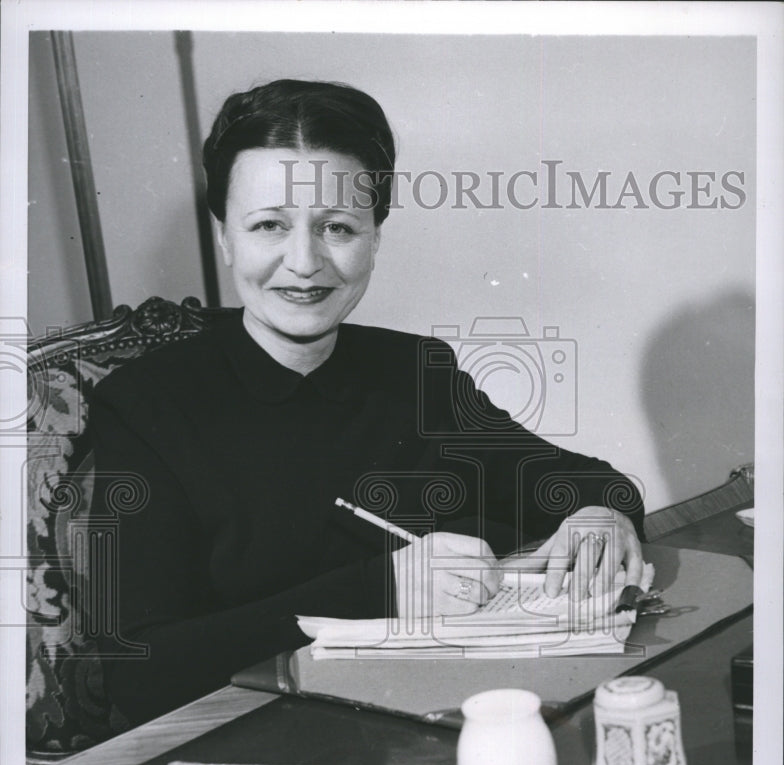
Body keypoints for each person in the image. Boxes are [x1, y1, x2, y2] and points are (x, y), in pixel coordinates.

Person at [89, 79, 645, 726]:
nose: (304, 262)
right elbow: (140, 671)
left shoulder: (413, 370)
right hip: (257, 751)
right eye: (270, 225)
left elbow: (577, 484)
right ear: (225, 239)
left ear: (375, 238)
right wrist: (386, 589)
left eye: (338, 228)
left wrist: (601, 515)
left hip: (434, 726)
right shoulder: (146, 405)